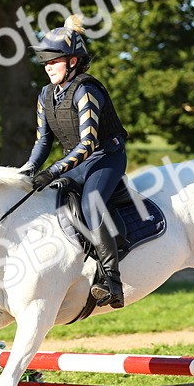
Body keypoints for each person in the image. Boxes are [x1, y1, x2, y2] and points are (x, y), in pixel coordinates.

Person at [19, 16, 129, 308]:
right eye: (44, 62)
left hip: (106, 155)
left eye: (53, 61)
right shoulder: (45, 95)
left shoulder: (86, 90)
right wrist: (28, 171)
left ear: (72, 61)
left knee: (92, 204)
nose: (47, 67)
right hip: (77, 160)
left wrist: (53, 170)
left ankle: (112, 282)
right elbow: (43, 141)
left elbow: (89, 143)